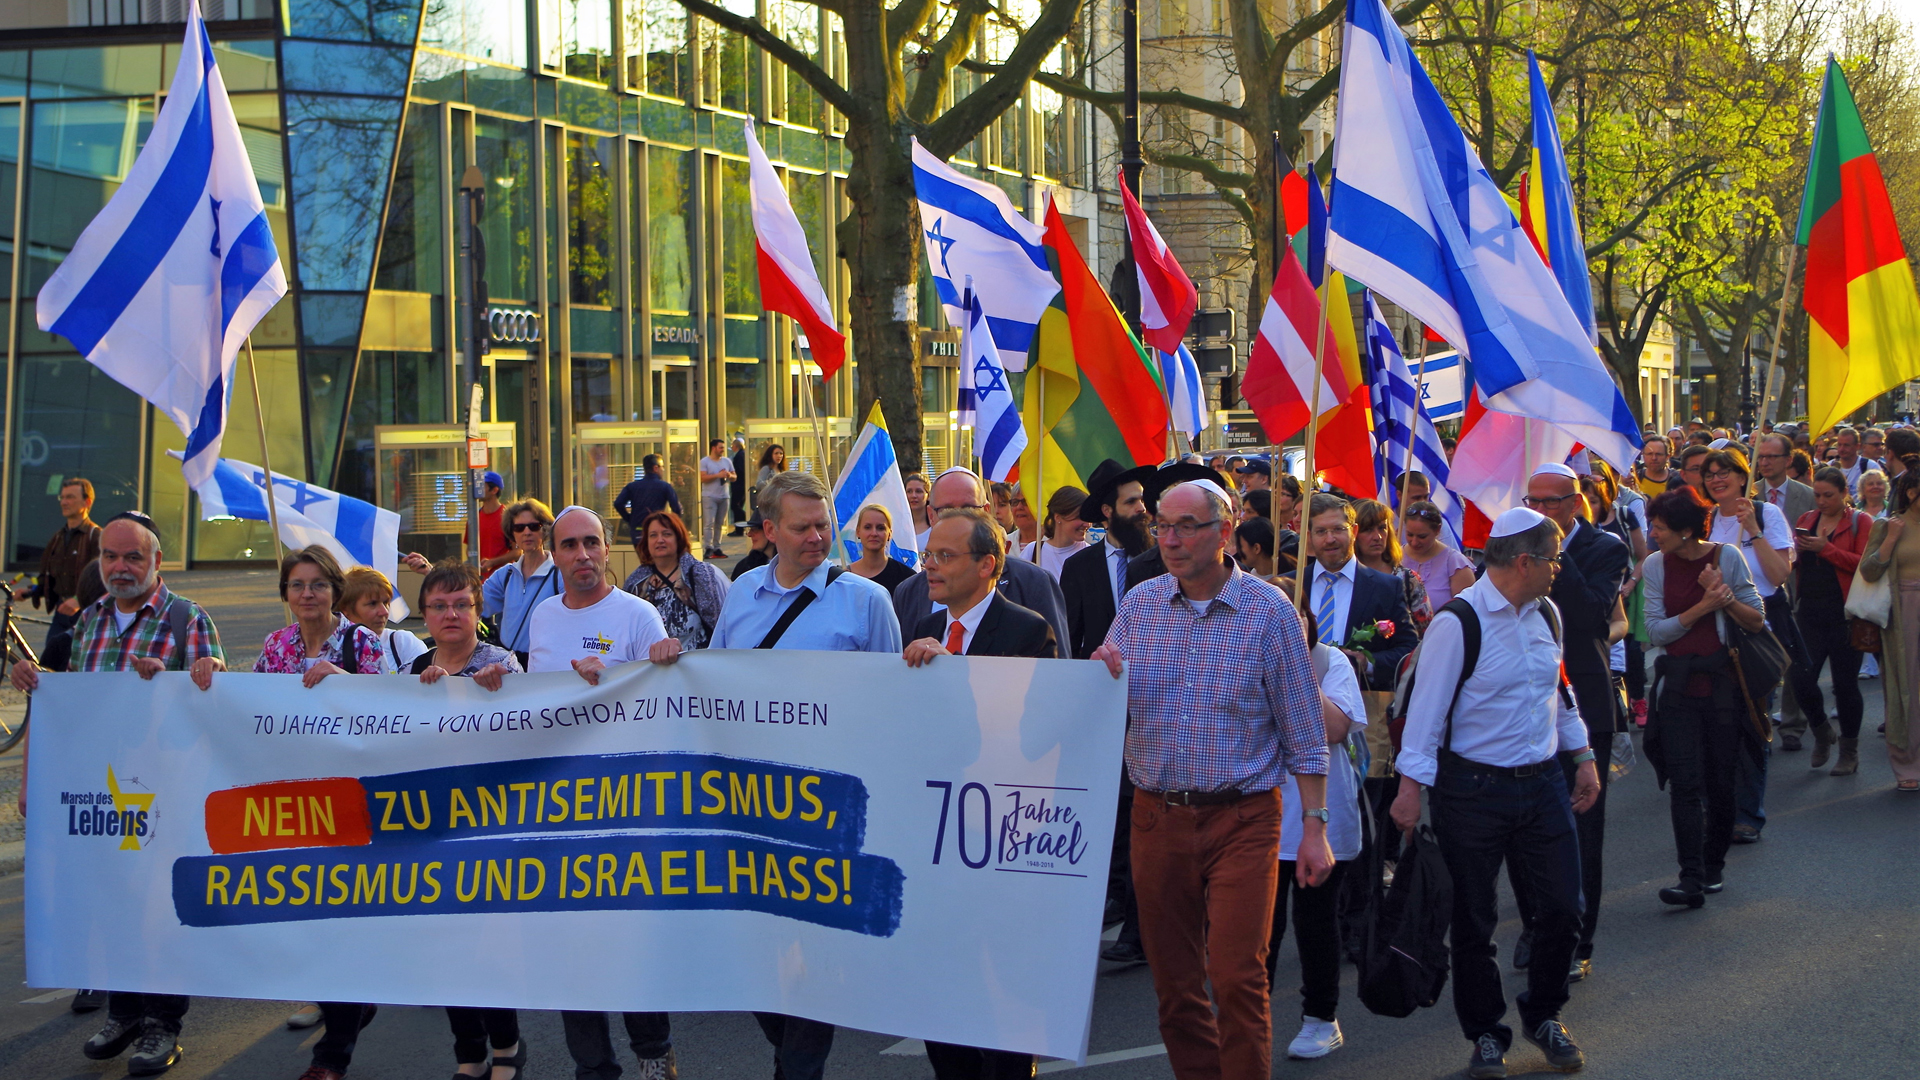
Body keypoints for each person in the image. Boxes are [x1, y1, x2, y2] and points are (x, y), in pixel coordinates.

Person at [1090, 480, 1333, 1080]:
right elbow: (1101, 699)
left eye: (1185, 526)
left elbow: (1304, 729)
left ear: (1224, 532)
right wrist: (1100, 675)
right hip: (1157, 815)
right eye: (1161, 525)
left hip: (1244, 818)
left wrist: (1315, 827)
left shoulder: (1270, 612)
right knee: (1174, 985)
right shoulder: (1139, 605)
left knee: (1236, 976)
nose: (1168, 539)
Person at [661, 470, 900, 1080]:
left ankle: (797, 1071)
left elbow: (897, 706)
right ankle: (788, 1053)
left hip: (828, 812)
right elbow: (715, 685)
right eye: (803, 527)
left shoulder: (867, 601)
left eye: (823, 525)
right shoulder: (741, 594)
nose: (818, 537)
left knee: (814, 955)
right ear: (769, 531)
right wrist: (668, 662)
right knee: (756, 955)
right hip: (750, 808)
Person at [8, 511, 223, 1077]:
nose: (119, 567)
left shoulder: (186, 619)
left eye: (132, 557)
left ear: (157, 562)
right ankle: (124, 1013)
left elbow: (216, 701)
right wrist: (34, 682)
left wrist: (179, 682)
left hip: (167, 794)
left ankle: (162, 1025)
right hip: (102, 799)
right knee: (111, 903)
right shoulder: (88, 621)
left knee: (159, 910)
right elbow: (67, 710)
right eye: (110, 556)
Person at [1391, 507, 1601, 1079]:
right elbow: (1426, 716)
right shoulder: (1457, 623)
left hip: (1543, 786)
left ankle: (1544, 1014)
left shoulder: (1547, 614)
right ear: (1526, 561)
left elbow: (1560, 691)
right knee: (1474, 922)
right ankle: (1486, 1033)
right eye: (1554, 559)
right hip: (1472, 791)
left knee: (1562, 910)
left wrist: (1580, 755)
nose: (1560, 569)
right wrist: (1411, 790)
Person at [899, 507, 1053, 1079]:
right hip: (937, 840)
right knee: (942, 986)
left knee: (1008, 986)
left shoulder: (1027, 629)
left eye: (945, 556)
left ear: (988, 564)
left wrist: (957, 676)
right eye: (927, 555)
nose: (930, 567)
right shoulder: (926, 631)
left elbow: (1034, 735)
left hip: (1004, 840)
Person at [529, 506, 677, 1080]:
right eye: (570, 546)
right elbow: (529, 702)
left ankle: (652, 1054)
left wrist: (659, 660)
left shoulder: (638, 615)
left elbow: (664, 703)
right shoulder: (542, 616)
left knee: (629, 940)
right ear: (555, 553)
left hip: (625, 809)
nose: (582, 555)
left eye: (592, 542)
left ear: (607, 546)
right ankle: (593, 1068)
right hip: (555, 811)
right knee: (573, 950)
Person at [248, 546, 383, 1080]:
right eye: (297, 585)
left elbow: (392, 713)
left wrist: (345, 685)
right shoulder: (275, 645)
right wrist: (210, 674)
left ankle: (332, 1059)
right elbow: (249, 704)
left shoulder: (361, 643)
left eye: (318, 585)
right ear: (285, 593)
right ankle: (351, 1007)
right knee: (312, 923)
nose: (307, 594)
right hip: (295, 805)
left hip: (352, 803)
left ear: (335, 591)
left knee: (340, 924)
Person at [407, 561, 524, 1080]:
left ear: (478, 612)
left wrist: (495, 692)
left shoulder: (502, 663)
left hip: (488, 828)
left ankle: (506, 1046)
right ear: (425, 615)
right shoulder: (413, 671)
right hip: (430, 831)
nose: (450, 614)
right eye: (439, 606)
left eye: (461, 604)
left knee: (485, 944)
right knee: (445, 945)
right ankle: (469, 1051)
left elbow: (535, 732)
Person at [1514, 463, 1630, 982]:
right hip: (1522, 705)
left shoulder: (1606, 548)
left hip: (1584, 702)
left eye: (1552, 503)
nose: (1540, 512)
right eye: (1532, 502)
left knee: (1581, 828)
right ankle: (1536, 924)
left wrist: (1556, 554)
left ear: (1577, 501)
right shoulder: (1512, 548)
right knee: (1519, 824)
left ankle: (1579, 937)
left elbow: (1590, 618)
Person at [1640, 486, 1767, 904]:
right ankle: (1690, 878)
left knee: (1720, 782)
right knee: (1685, 784)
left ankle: (1713, 866)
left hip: (1722, 687)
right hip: (1676, 686)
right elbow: (1656, 629)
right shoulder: (1656, 564)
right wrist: (1700, 607)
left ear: (1686, 530)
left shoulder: (1726, 558)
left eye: (1659, 528)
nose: (1653, 534)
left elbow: (1755, 621)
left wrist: (1723, 597)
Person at [1266, 600, 1368, 1061]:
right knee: (1259, 929)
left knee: (1314, 923)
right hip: (1262, 816)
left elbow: (1333, 726)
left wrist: (1297, 663)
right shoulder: (1247, 652)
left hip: (1320, 814)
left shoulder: (1331, 662)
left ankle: (1321, 1019)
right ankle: (1250, 1017)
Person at [1700, 447, 1792, 844]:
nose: (1717, 479)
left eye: (1725, 472)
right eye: (1710, 474)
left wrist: (1754, 530)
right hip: (1715, 629)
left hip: (1758, 627)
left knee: (1753, 723)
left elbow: (1780, 575)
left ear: (1743, 476)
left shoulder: (1766, 514)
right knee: (1718, 727)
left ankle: (1749, 814)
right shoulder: (1705, 521)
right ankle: (1721, 809)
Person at [893, 469, 1070, 652]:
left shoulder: (1033, 584)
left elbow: (1056, 675)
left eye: (968, 509)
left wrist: (950, 666)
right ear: (930, 514)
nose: (957, 517)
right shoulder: (910, 595)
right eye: (946, 510)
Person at [1788, 467, 1870, 775]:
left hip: (1845, 613)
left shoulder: (1860, 521)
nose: (1821, 501)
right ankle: (1822, 731)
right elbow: (1795, 563)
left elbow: (1865, 565)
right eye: (1818, 495)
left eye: (1828, 495)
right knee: (1800, 677)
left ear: (1844, 494)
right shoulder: (1806, 520)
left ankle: (1849, 750)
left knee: (1845, 685)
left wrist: (1828, 549)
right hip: (1809, 610)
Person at [1299, 494, 1418, 691]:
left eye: (1338, 529)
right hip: (1298, 702)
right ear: (1309, 535)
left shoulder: (1386, 587)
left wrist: (1367, 662)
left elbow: (1409, 650)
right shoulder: (1291, 585)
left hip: (1360, 703)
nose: (1330, 539)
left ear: (1354, 531)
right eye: (1321, 531)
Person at [1752, 433, 1818, 749]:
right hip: (1759, 593)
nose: (1764, 462)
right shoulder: (1748, 497)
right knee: (1761, 659)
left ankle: (1793, 724)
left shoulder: (1808, 496)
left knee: (1794, 661)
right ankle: (1759, 719)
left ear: (1788, 460)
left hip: (1798, 588)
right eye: (1760, 457)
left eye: (1771, 457)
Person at [1859, 459, 1920, 791]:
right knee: (1904, 688)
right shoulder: (1889, 526)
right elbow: (1868, 571)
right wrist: (1889, 540)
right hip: (1903, 611)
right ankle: (1907, 762)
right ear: (1911, 492)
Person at [1060, 460, 1156, 660]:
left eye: (1142, 500)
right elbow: (1070, 638)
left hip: (1153, 676)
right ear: (1107, 510)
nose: (1141, 508)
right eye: (1130, 502)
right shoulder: (1079, 566)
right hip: (1099, 678)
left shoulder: (1162, 558)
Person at [13, 476, 100, 672]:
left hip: (86, 615)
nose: (64, 502)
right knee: (49, 665)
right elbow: (51, 578)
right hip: (61, 614)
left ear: (87, 502)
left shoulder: (96, 536)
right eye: (62, 497)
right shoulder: (58, 537)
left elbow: (103, 578)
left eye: (70, 497)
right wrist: (29, 592)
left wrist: (78, 600)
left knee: (77, 667)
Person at [622, 511, 731, 651]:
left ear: (678, 539)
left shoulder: (703, 575)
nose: (659, 540)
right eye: (653, 535)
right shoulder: (635, 584)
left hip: (699, 666)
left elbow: (724, 625)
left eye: (666, 534)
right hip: (652, 669)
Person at [481, 498, 561, 669]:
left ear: (545, 530)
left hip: (546, 664)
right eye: (519, 528)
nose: (527, 532)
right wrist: (432, 574)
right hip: (508, 663)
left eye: (534, 526)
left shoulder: (559, 574)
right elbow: (474, 602)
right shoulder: (505, 575)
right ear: (512, 533)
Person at [1352, 498, 1434, 633]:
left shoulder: (1408, 580)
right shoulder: (1343, 576)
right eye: (1367, 530)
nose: (1377, 537)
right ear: (1354, 533)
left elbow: (1427, 634)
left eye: (1382, 528)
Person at [338, 567, 428, 674]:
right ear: (346, 609)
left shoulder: (403, 643)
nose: (384, 612)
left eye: (386, 602)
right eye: (372, 604)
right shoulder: (329, 649)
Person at [1402, 502, 1475, 609]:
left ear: (1437, 530)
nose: (1414, 542)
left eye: (1422, 536)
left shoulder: (1456, 564)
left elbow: (1466, 612)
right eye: (1410, 534)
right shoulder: (1394, 557)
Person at [1018, 485, 1089, 581]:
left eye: (1087, 518)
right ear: (1058, 517)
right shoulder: (1034, 551)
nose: (1087, 524)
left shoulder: (1090, 554)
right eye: (1079, 517)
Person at [846, 504, 915, 593]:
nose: (874, 533)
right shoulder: (845, 576)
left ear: (889, 534)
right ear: (858, 532)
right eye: (867, 527)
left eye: (880, 528)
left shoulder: (906, 577)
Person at [613, 454, 684, 541]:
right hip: (656, 531)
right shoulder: (665, 486)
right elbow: (677, 509)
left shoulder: (632, 486)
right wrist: (671, 525)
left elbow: (618, 503)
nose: (663, 470)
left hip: (638, 531)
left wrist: (629, 519)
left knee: (643, 554)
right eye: (662, 467)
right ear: (655, 468)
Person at [698, 439, 737, 559]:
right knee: (709, 522)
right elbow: (702, 478)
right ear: (713, 448)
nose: (722, 450)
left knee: (720, 523)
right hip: (710, 496)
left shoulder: (727, 461)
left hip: (724, 495)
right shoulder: (705, 461)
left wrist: (729, 476)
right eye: (720, 447)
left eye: (723, 447)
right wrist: (717, 475)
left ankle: (717, 547)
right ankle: (708, 547)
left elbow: (735, 476)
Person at [474, 471, 515, 573]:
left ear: (494, 490)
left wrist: (492, 562)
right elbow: (470, 548)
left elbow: (518, 551)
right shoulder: (475, 517)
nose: (478, 489)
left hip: (503, 581)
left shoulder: (508, 516)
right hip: (478, 580)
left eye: (482, 485)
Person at [731, 511, 774, 581]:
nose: (749, 534)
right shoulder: (744, 567)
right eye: (750, 529)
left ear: (770, 530)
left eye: (755, 529)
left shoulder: (793, 567)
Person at [904, 471, 933, 549]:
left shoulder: (936, 528)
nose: (913, 495)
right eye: (909, 491)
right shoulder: (897, 527)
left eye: (918, 491)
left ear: (928, 496)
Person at [729, 436, 749, 534]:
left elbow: (741, 470)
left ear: (736, 446)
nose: (731, 447)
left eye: (732, 445)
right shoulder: (741, 455)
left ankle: (746, 518)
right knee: (738, 506)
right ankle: (739, 529)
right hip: (740, 485)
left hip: (739, 486)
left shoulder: (740, 455)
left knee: (735, 506)